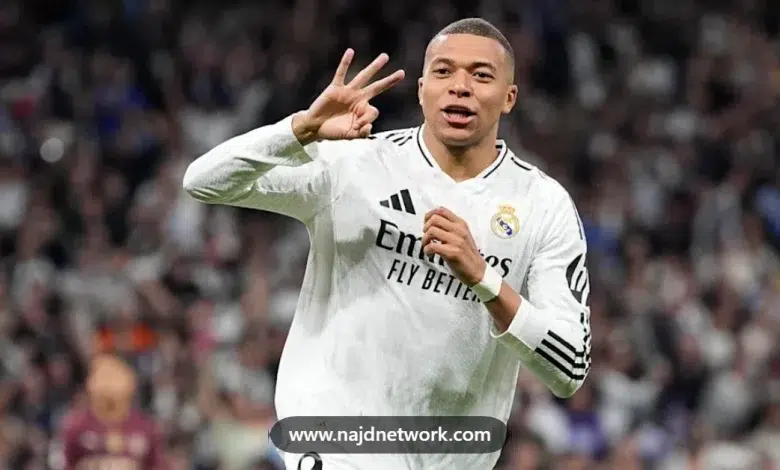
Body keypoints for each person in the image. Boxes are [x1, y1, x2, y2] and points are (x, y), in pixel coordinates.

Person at [183, 17, 591, 470]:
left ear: (509, 97)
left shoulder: (542, 204)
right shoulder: (355, 161)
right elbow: (203, 182)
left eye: (481, 75)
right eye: (443, 71)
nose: (460, 86)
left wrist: (484, 278)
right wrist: (299, 130)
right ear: (421, 89)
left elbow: (569, 368)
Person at [59, 354, 166, 469]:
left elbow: (157, 465)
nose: (109, 386)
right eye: (104, 378)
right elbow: (67, 463)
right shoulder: (77, 426)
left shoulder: (146, 427)